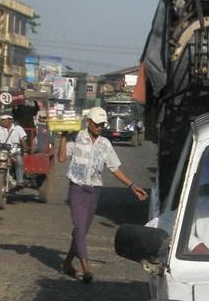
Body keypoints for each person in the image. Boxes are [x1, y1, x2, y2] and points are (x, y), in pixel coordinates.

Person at [58, 106, 147, 282]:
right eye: (97, 124)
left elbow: (114, 168)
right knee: (79, 228)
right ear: (88, 122)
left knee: (81, 231)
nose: (100, 127)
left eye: (102, 124)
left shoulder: (105, 144)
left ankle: (68, 262)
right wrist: (62, 136)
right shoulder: (76, 138)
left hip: (94, 191)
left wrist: (132, 185)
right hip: (77, 189)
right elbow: (61, 158)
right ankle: (86, 268)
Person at [0, 112, 28, 186]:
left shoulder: (18, 128)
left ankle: (20, 180)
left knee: (19, 162)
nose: (3, 121)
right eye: (2, 120)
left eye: (5, 120)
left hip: (15, 151)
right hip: (3, 152)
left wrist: (25, 147)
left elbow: (22, 139)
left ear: (10, 120)